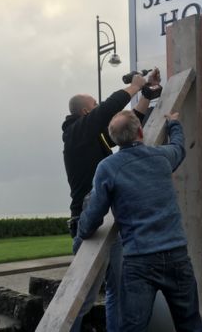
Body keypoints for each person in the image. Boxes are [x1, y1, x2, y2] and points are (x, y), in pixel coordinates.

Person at [75, 110, 202, 332]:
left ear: (114, 140)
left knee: (133, 327)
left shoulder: (108, 168)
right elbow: (179, 147)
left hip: (139, 261)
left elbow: (94, 215)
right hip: (177, 255)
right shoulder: (162, 157)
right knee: (190, 323)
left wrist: (81, 233)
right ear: (141, 131)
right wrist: (173, 124)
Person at [62, 69, 160, 332]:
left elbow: (125, 130)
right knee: (81, 296)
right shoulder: (75, 134)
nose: (98, 109)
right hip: (89, 213)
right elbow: (106, 111)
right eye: (93, 105)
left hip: (107, 212)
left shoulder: (96, 138)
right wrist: (134, 87)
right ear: (85, 112)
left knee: (117, 290)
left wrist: (146, 95)